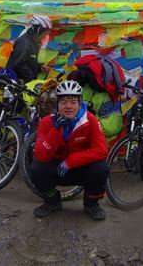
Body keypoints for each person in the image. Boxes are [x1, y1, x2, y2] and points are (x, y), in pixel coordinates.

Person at [28, 80, 109, 221]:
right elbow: (40, 155)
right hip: (57, 169)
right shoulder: (47, 122)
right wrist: (56, 130)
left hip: (80, 169)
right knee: (36, 169)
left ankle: (91, 204)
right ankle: (52, 202)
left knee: (100, 168)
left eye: (73, 102)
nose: (68, 106)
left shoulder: (90, 120)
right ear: (57, 104)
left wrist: (71, 161)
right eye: (64, 102)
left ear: (80, 103)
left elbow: (101, 150)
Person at [6, 14, 52, 82]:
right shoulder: (24, 43)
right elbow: (19, 63)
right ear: (38, 31)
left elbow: (29, 61)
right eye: (44, 34)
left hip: (23, 81)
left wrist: (40, 67)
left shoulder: (33, 42)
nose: (44, 36)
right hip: (15, 82)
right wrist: (31, 78)